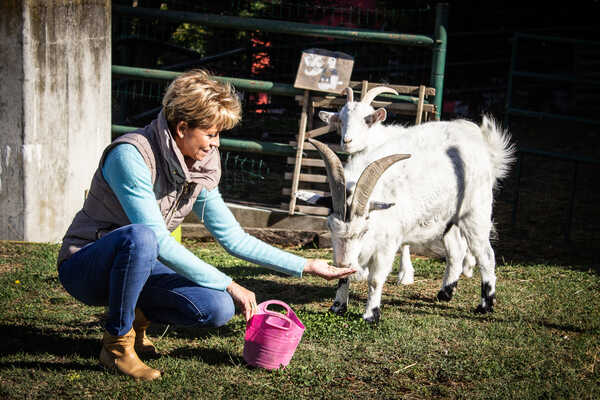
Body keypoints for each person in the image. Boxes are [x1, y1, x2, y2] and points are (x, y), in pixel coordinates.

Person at [57, 69, 355, 381]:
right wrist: (230, 281)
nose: (216, 143)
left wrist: (306, 265)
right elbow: (156, 238)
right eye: (211, 134)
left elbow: (233, 238)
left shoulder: (199, 165)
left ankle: (136, 316)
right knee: (143, 237)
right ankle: (116, 345)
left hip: (139, 264)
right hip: (85, 265)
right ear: (183, 127)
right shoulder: (131, 155)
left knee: (217, 307)